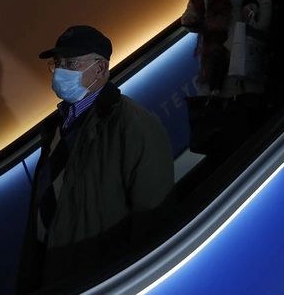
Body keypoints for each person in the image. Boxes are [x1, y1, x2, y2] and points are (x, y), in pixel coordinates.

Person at [17, 25, 175, 293]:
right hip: (51, 268)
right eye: (57, 64)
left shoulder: (133, 125)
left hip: (97, 277)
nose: (60, 72)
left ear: (100, 69)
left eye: (71, 63)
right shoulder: (58, 125)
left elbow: (154, 220)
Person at [181, 0, 272, 155]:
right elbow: (196, 6)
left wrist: (251, 20)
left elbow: (269, 8)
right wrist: (192, 19)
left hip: (247, 64)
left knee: (249, 136)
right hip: (215, 66)